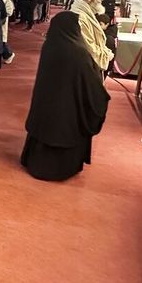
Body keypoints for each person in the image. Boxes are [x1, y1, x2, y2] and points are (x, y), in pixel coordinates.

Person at [21, 11, 111, 181]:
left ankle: (36, 162)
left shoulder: (50, 45)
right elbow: (91, 82)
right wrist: (100, 96)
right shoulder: (78, 52)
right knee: (63, 131)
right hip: (68, 108)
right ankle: (59, 169)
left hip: (46, 104)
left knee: (46, 130)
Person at [70, 0, 114, 72]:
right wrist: (106, 55)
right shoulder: (80, 18)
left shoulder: (87, 13)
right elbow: (89, 48)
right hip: (84, 70)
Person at [0, 0, 16, 65]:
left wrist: (0, 13)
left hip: (2, 22)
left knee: (1, 41)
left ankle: (9, 55)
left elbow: (9, 12)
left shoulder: (7, 0)